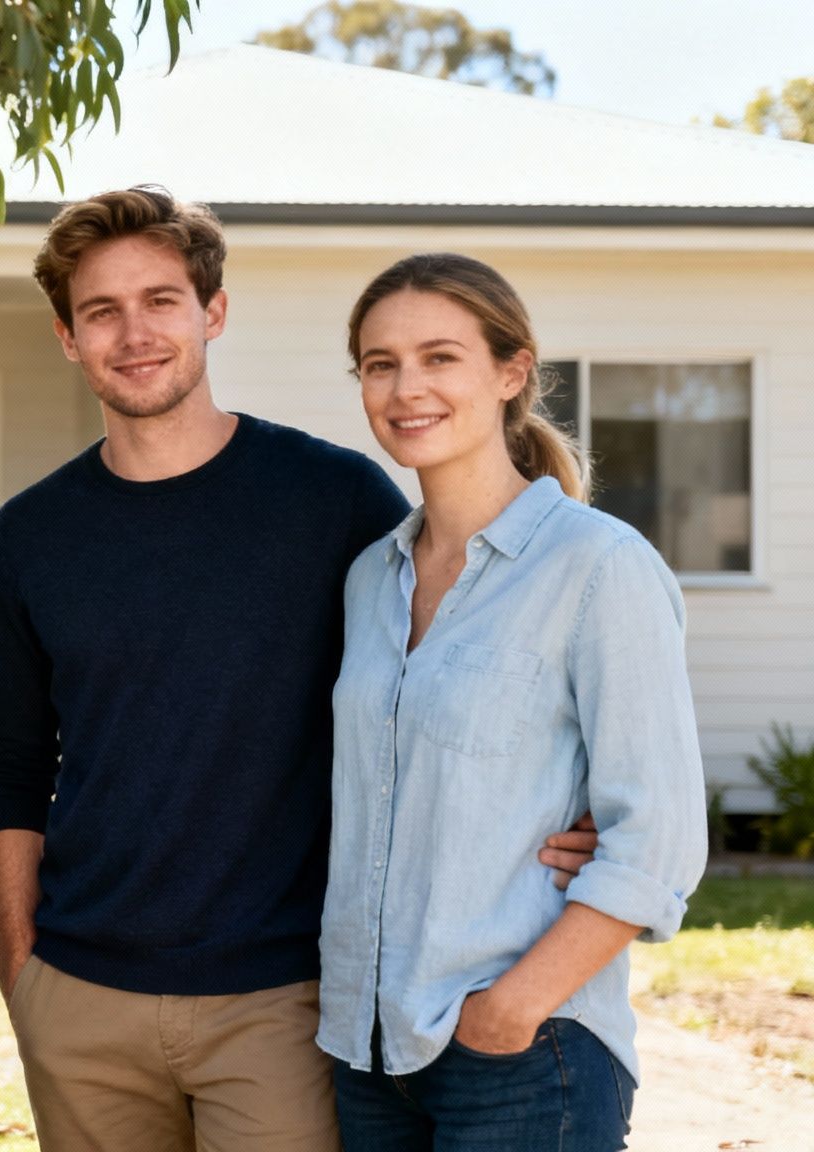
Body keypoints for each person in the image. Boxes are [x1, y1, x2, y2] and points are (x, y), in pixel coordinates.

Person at [0, 188, 600, 1152]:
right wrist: (23, 969)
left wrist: (572, 801)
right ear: (67, 336)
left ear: (212, 313)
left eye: (162, 300)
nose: (134, 333)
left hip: (284, 999)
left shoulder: (335, 499)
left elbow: (441, 683)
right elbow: (11, 766)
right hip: (82, 1000)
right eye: (102, 310)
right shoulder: (30, 534)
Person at [318, 252, 708, 1150]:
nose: (406, 387)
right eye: (381, 364)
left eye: (439, 357)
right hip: (370, 1056)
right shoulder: (370, 581)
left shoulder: (599, 567)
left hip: (526, 1059)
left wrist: (512, 1010)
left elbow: (659, 836)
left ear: (511, 371)